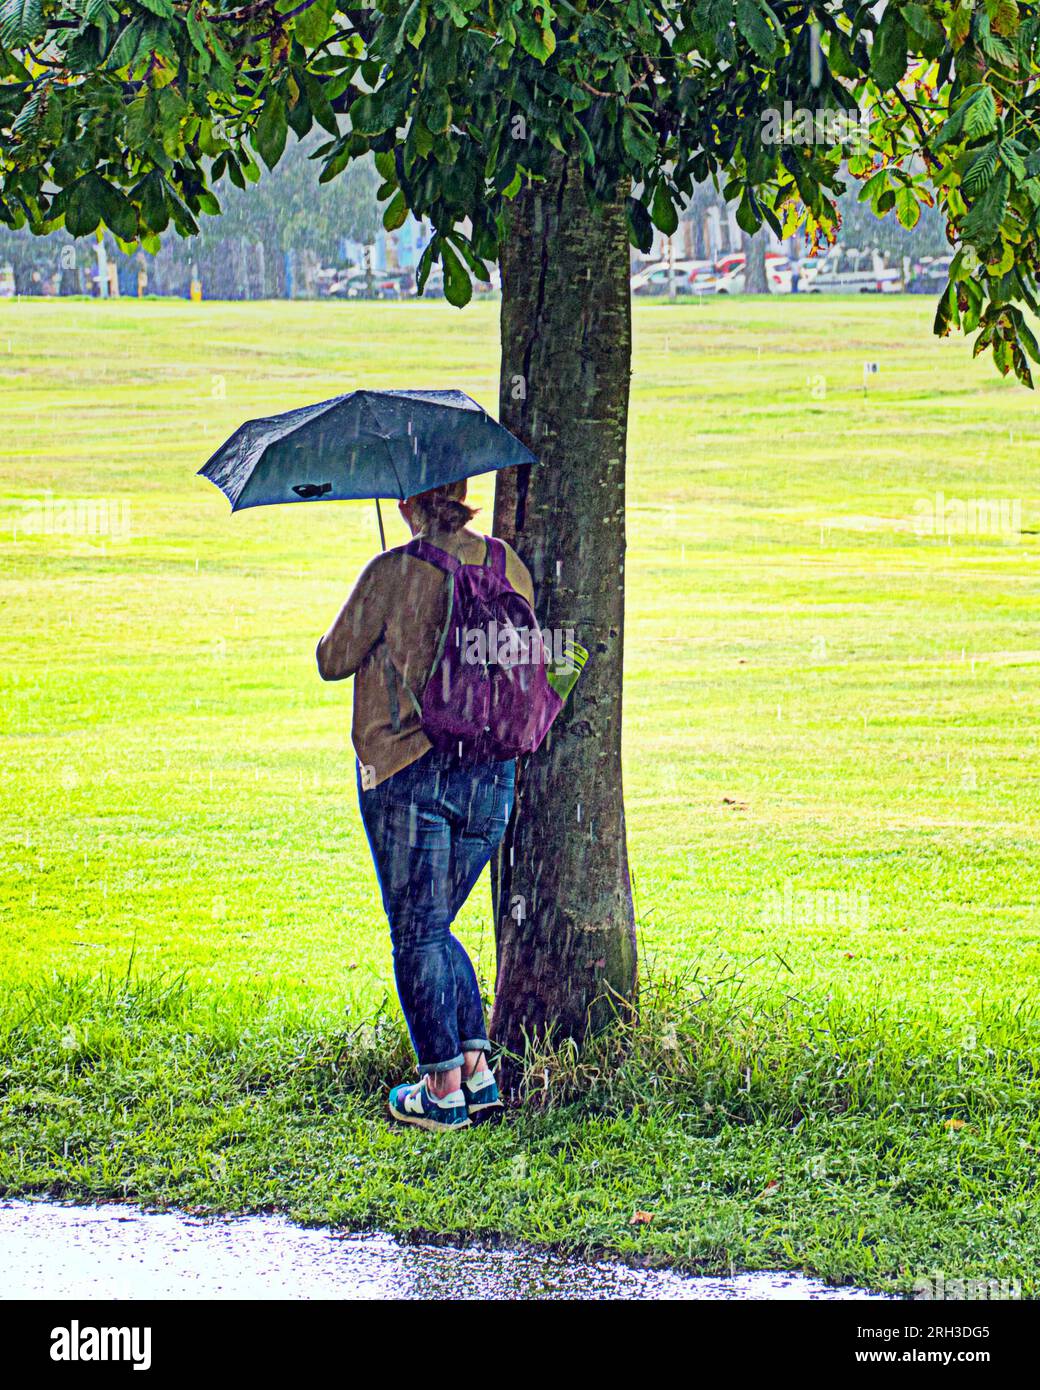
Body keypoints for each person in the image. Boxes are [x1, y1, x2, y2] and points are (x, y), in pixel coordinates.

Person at [316, 478, 537, 1133]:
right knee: (434, 926)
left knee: (416, 932)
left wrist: (388, 599)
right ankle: (477, 1072)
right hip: (491, 778)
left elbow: (332, 660)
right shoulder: (506, 564)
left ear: (408, 503)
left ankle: (439, 1090)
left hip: (407, 774)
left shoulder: (393, 570)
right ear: (464, 492)